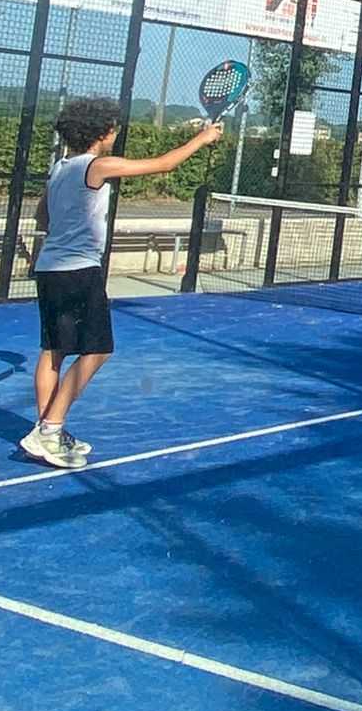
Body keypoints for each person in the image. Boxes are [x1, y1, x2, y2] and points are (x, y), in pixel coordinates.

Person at [22, 96, 222, 468]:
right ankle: (50, 429)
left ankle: (47, 429)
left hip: (50, 269)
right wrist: (203, 138)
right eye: (112, 128)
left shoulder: (59, 169)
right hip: (78, 272)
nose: (115, 132)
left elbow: (42, 217)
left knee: (53, 350)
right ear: (101, 133)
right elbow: (163, 164)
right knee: (98, 350)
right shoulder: (98, 165)